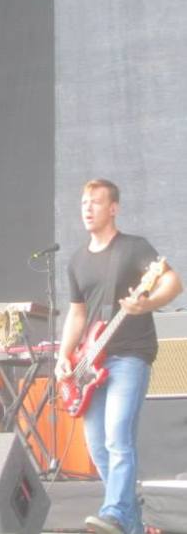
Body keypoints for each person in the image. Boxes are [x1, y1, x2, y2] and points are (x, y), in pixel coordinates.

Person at [55, 179, 181, 534]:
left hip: (129, 355)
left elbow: (172, 282)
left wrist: (148, 303)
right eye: (84, 202)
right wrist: (64, 356)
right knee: (98, 447)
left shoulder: (134, 248)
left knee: (117, 437)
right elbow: (77, 314)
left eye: (96, 202)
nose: (88, 208)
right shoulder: (77, 260)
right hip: (89, 364)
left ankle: (112, 512)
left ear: (114, 208)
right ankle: (133, 525)